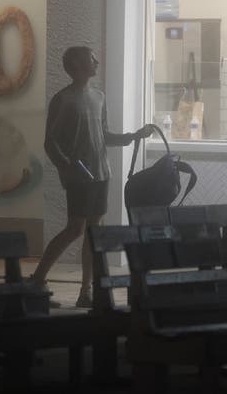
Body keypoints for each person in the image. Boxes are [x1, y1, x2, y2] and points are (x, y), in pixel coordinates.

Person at [29, 46, 152, 308]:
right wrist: (66, 166)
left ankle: (85, 291)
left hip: (101, 173)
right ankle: (37, 279)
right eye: (91, 58)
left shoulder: (99, 96)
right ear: (76, 64)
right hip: (79, 177)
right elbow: (50, 142)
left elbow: (104, 135)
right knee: (75, 228)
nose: (96, 61)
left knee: (94, 233)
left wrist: (133, 136)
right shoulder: (63, 100)